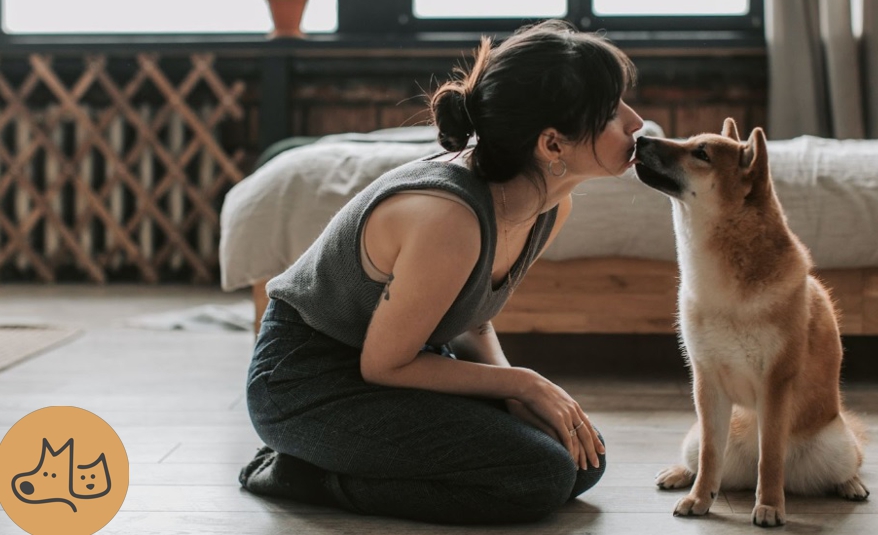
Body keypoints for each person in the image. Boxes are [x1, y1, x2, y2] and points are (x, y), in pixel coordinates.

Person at [238, 19, 644, 524]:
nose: (636, 122)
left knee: (583, 460)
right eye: (611, 112)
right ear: (553, 145)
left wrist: (512, 389)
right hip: (308, 383)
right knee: (540, 476)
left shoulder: (549, 205)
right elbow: (383, 366)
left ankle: (348, 459)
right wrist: (522, 384)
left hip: (402, 364)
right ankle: (302, 474)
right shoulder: (447, 218)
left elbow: (472, 316)